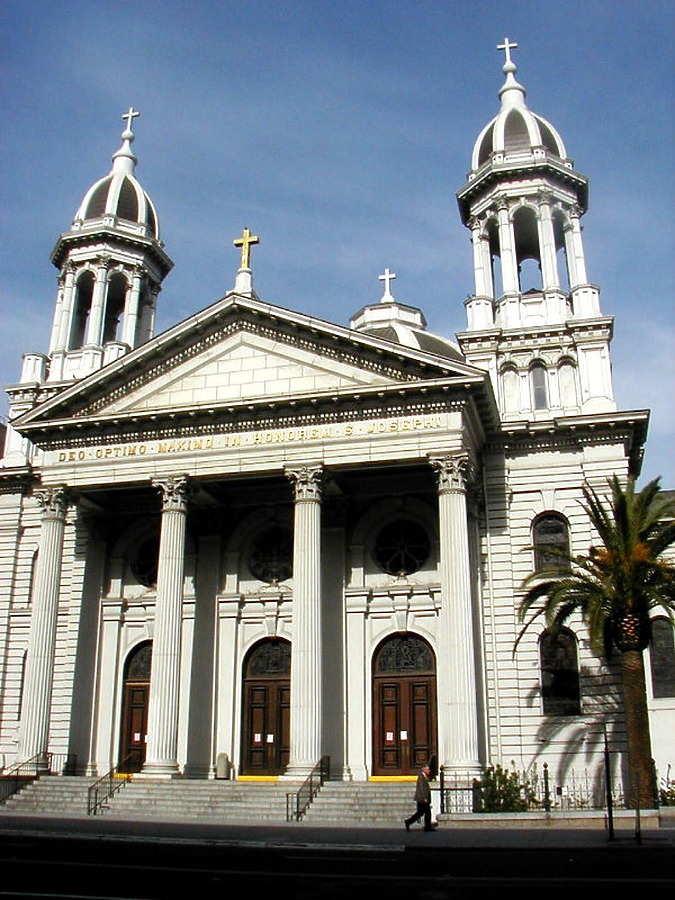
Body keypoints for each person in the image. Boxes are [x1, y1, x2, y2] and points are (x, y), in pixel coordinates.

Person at [404, 764, 435, 832]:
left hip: (422, 798)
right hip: (422, 799)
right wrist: (425, 798)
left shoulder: (424, 777)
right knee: (425, 813)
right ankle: (427, 827)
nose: (429, 771)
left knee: (421, 813)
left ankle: (409, 822)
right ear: (424, 770)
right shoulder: (421, 777)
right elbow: (421, 788)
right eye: (428, 769)